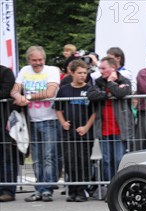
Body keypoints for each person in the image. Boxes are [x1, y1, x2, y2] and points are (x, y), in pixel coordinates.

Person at [11, 46, 61, 202]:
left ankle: (47, 189)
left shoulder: (52, 70)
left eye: (40, 60)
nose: (38, 63)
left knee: (49, 157)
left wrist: (28, 97)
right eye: (34, 60)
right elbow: (14, 90)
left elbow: (50, 92)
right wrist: (18, 96)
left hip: (50, 119)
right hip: (32, 120)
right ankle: (39, 189)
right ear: (29, 60)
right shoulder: (25, 70)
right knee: (37, 159)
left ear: (44, 59)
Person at [54, 59, 95, 202]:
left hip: (84, 133)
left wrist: (86, 127)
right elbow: (58, 109)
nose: (82, 75)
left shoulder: (90, 89)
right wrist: (63, 122)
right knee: (70, 161)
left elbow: (94, 112)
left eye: (85, 73)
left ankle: (82, 190)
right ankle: (72, 190)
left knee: (83, 161)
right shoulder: (64, 89)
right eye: (79, 73)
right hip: (68, 133)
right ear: (72, 73)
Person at [87, 56, 134, 182]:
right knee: (107, 160)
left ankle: (120, 185)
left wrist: (110, 83)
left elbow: (121, 93)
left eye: (103, 68)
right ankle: (109, 185)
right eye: (100, 68)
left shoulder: (124, 80)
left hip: (120, 128)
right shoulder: (97, 81)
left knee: (119, 159)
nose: (101, 71)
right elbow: (91, 95)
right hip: (104, 128)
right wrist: (108, 94)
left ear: (113, 68)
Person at [0, 64, 18, 202]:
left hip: (4, 121)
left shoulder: (5, 72)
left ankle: (8, 190)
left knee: (7, 157)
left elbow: (5, 92)